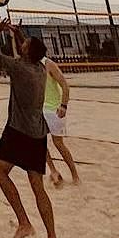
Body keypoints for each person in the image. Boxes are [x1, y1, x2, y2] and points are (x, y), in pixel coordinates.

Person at [0, 20, 59, 238]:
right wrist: (18, 33)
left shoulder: (19, 68)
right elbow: (28, 50)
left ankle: (24, 222)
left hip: (18, 131)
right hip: (38, 133)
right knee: (37, 186)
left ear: (26, 52)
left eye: (24, 44)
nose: (22, 44)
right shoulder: (40, 68)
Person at [43, 57, 80, 185]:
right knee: (39, 142)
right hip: (38, 110)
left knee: (58, 143)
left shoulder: (48, 64)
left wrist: (64, 105)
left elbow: (65, 85)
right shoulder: (30, 64)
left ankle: (75, 176)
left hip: (54, 110)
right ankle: (53, 171)